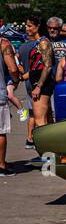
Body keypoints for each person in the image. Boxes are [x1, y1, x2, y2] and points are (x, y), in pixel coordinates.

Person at [16, 16, 55, 145]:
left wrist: (38, 86)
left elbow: (47, 65)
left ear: (38, 26)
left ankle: (47, 153)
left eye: (29, 26)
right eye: (26, 26)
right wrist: (22, 78)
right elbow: (35, 69)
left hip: (41, 85)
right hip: (37, 81)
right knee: (46, 119)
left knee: (40, 121)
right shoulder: (38, 42)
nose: (27, 28)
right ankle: (51, 152)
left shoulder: (43, 42)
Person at [0, 36, 21, 176]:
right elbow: (13, 68)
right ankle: (1, 165)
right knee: (0, 131)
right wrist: (15, 80)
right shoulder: (3, 43)